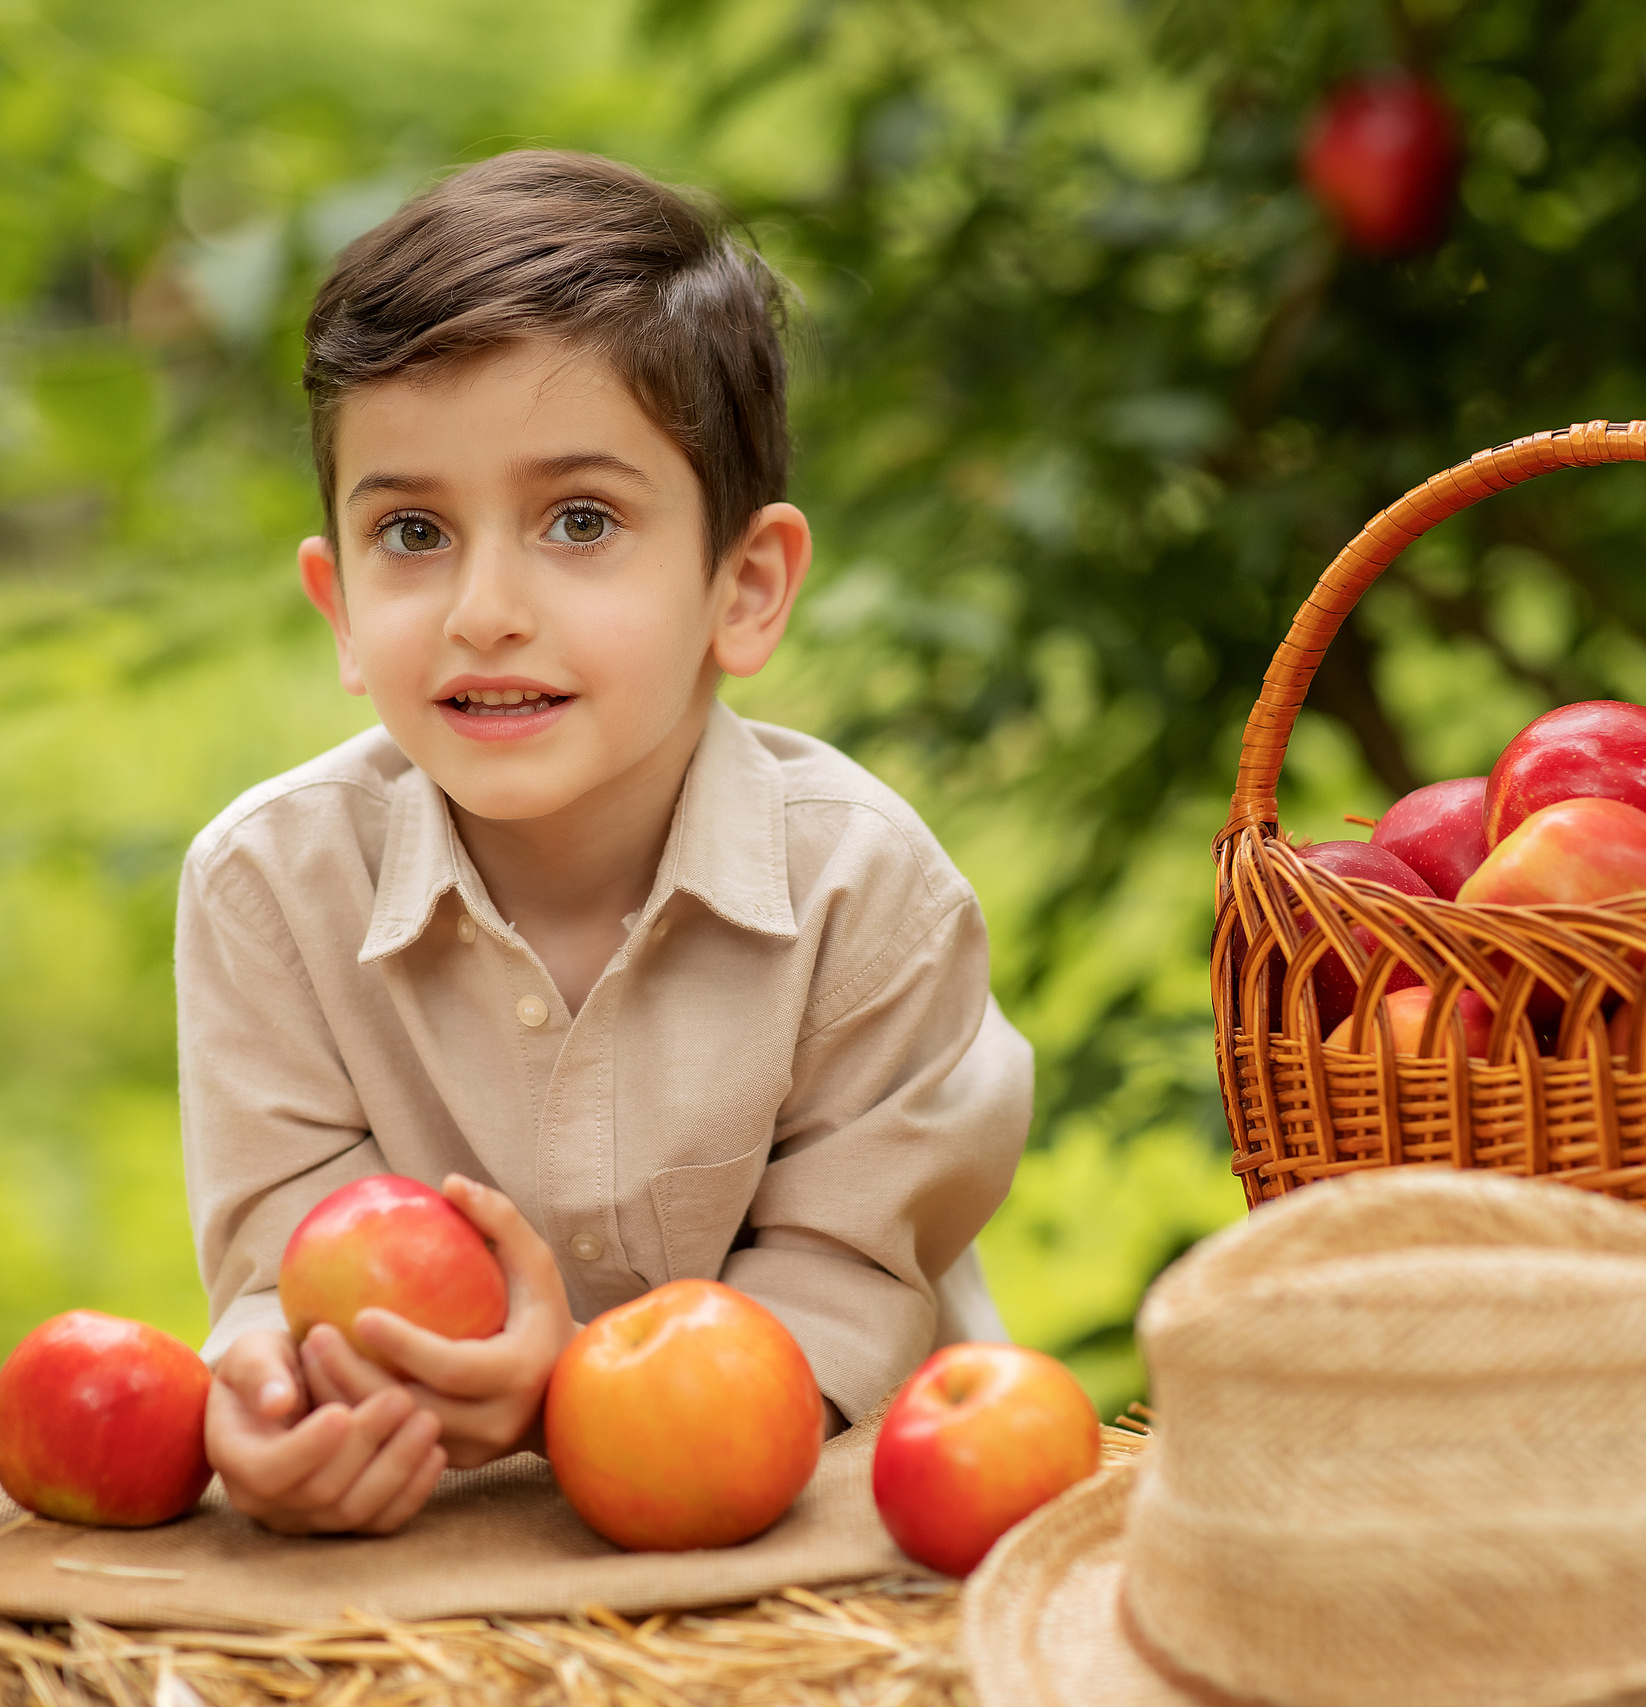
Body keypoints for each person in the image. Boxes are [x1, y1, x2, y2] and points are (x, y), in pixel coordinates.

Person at [179, 149, 1033, 1535]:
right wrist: (274, 1398)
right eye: (413, 530)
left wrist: (564, 1394)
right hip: (438, 1580)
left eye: (581, 521)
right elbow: (283, 1278)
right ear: (336, 604)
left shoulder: (864, 894)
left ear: (743, 588)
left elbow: (845, 1280)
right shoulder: (269, 894)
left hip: (823, 1548)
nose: (485, 609)